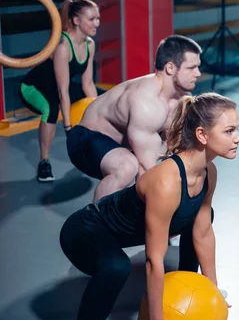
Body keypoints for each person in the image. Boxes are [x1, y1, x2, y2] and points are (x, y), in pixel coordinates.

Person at [59, 92, 239, 320]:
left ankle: (191, 284)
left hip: (119, 233)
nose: (238, 138)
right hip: (85, 231)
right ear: (202, 135)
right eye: (230, 130)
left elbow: (203, 231)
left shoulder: (210, 172)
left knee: (197, 217)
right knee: (116, 267)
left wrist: (212, 290)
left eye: (237, 129)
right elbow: (154, 259)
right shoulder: (166, 181)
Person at [66, 34, 202, 202]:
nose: (198, 73)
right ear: (170, 68)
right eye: (191, 68)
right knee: (127, 166)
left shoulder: (180, 98)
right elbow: (147, 170)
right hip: (84, 140)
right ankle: (97, 224)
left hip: (120, 145)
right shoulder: (146, 103)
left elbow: (170, 148)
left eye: (198, 67)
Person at [19, 0, 100, 182]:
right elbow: (63, 92)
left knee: (100, 99)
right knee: (51, 109)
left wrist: (98, 112)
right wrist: (69, 129)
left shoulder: (89, 45)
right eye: (92, 19)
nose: (97, 23)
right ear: (77, 21)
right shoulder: (63, 46)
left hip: (57, 86)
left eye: (98, 18)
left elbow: (87, 83)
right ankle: (44, 163)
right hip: (33, 87)